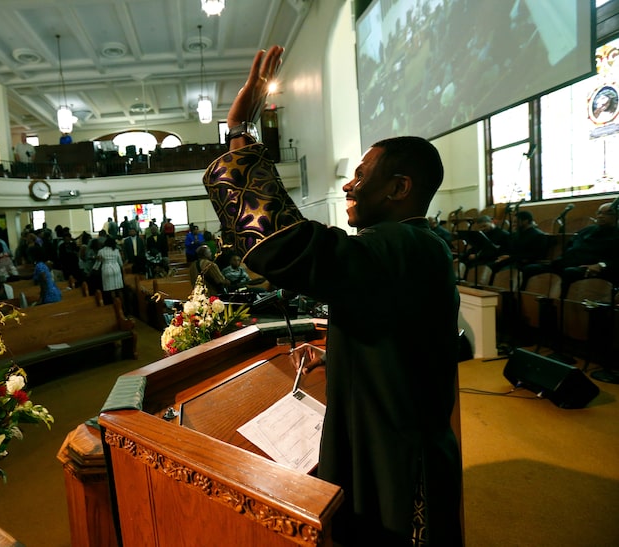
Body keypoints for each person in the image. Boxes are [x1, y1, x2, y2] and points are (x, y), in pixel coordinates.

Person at [202, 46, 462, 546]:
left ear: (399, 187)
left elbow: (290, 247)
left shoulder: (404, 244)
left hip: (400, 464)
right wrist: (342, 355)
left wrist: (239, 135)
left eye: (362, 175)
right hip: (384, 439)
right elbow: (394, 331)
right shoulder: (405, 247)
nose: (349, 183)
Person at [521, 201, 619, 293]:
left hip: (590, 268)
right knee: (530, 268)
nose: (601, 216)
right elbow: (570, 245)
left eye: (607, 213)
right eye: (599, 213)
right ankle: (522, 300)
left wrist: (601, 265)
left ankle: (560, 304)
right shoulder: (587, 230)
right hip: (567, 263)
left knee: (569, 273)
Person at [95, 235, 125, 304]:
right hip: (116, 269)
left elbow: (98, 263)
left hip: (106, 270)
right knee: (119, 289)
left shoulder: (101, 251)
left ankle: (116, 307)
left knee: (112, 290)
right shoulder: (116, 250)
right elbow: (120, 262)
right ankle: (123, 307)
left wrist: (94, 269)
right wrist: (121, 266)